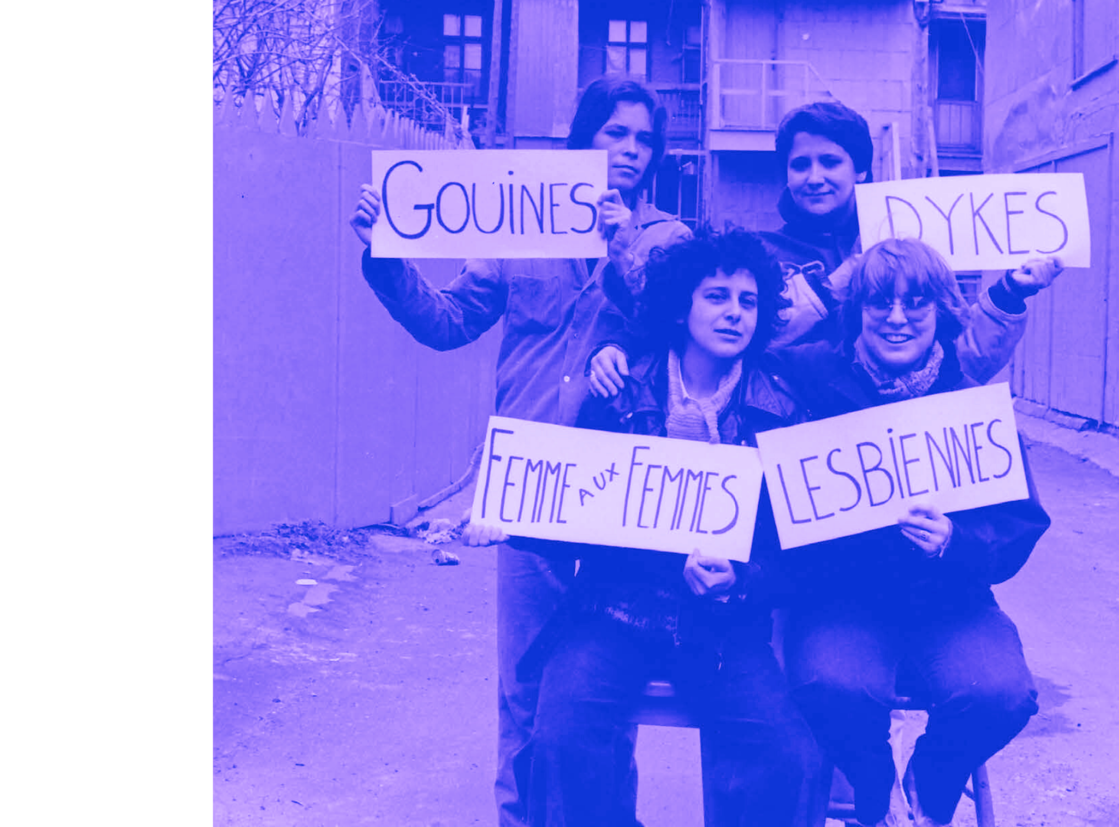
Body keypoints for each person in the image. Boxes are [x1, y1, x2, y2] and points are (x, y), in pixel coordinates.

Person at [347, 76, 692, 827]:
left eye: (643, 141)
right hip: (528, 485)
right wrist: (385, 255)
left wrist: (620, 238)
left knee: (603, 685)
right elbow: (446, 320)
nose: (629, 151)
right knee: (524, 684)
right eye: (614, 134)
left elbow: (670, 316)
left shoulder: (666, 238)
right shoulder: (521, 224)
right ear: (582, 140)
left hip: (616, 489)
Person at [522, 228, 822, 827]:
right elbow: (572, 520)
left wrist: (740, 580)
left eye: (748, 300)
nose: (734, 312)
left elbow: (797, 556)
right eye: (716, 296)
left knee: (793, 761)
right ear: (681, 305)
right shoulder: (618, 389)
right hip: (612, 614)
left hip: (722, 629)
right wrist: (512, 523)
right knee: (562, 739)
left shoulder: (782, 408)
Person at [774, 238, 1052, 827]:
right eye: (880, 303)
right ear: (858, 312)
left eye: (915, 303)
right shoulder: (811, 380)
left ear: (941, 312)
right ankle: (877, 796)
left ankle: (931, 783)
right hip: (841, 600)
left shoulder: (968, 404)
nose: (897, 318)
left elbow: (1020, 522)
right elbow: (747, 345)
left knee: (1000, 693)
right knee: (831, 684)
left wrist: (956, 541)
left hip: (949, 600)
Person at [586, 99, 1062, 400]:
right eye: (800, 165)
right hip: (795, 449)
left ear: (861, 170)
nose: (814, 177)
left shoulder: (906, 254)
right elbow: (713, 334)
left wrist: (1007, 297)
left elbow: (961, 358)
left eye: (830, 162)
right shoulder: (758, 257)